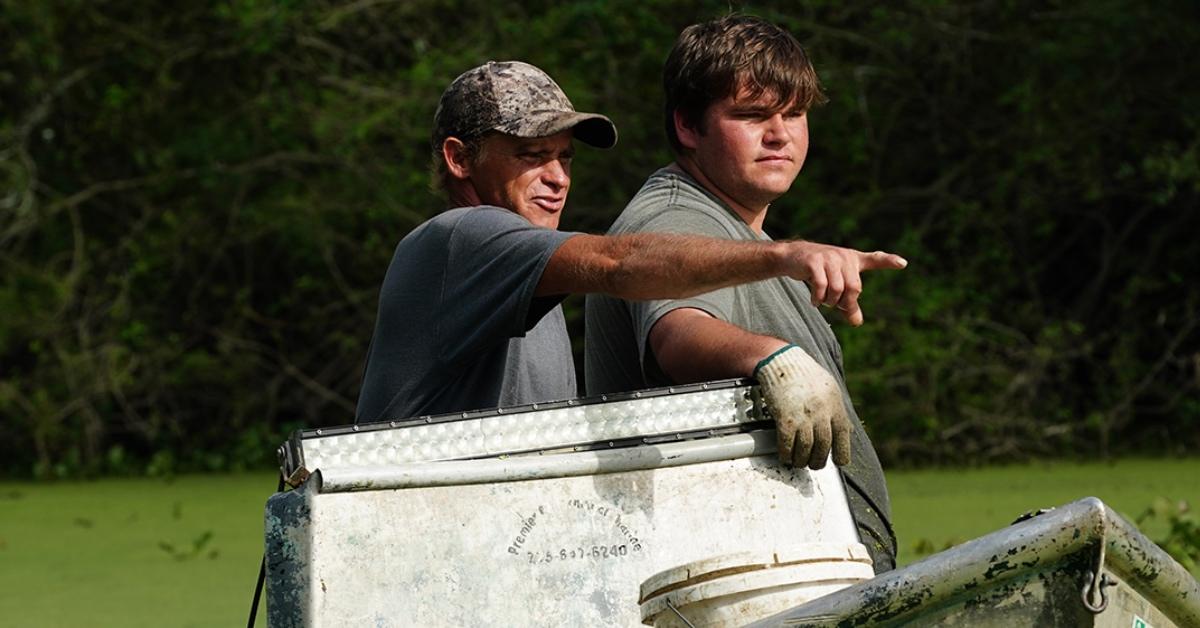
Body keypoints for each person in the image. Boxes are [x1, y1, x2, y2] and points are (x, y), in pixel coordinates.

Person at [355, 60, 901, 432]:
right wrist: (783, 256)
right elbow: (619, 264)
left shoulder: (526, 278)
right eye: (530, 155)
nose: (557, 178)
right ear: (459, 159)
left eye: (564, 157)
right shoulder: (463, 237)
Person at [584, 16, 903, 571]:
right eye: (752, 115)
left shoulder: (735, 229)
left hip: (785, 569)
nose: (779, 134)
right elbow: (678, 332)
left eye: (795, 114)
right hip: (739, 581)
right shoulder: (676, 215)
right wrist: (772, 358)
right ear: (687, 125)